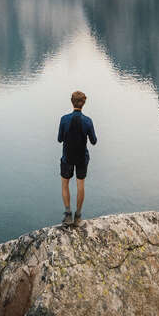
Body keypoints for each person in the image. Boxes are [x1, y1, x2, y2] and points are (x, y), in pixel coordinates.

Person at [57, 90, 97, 226]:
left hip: (67, 157)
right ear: (84, 103)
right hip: (82, 158)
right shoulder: (88, 121)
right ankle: (78, 217)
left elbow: (59, 139)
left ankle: (68, 215)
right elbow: (94, 141)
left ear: (71, 101)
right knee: (80, 186)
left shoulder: (64, 119)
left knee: (65, 184)